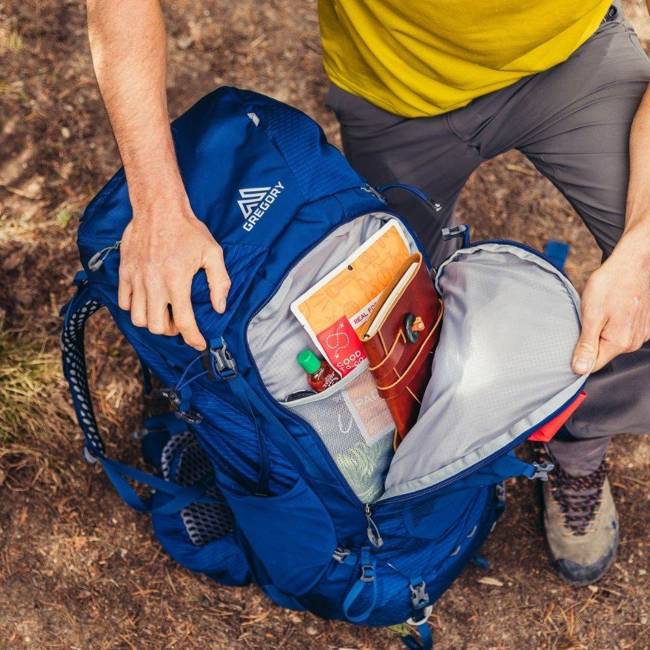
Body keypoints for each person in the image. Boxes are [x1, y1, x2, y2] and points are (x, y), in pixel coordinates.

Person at [85, 0, 650, 586]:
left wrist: (642, 243)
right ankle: (409, 454)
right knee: (380, 316)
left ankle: (569, 439)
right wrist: (157, 203)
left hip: (573, 56)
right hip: (393, 95)